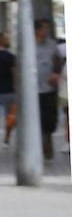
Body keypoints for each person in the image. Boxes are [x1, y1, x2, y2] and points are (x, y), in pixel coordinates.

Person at [34, 19, 65, 161]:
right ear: (37, 30)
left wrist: (56, 73)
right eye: (44, 28)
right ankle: (44, 142)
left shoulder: (52, 45)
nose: (46, 31)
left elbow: (58, 60)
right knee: (39, 120)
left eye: (48, 28)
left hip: (49, 89)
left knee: (51, 120)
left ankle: (46, 136)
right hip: (34, 91)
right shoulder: (29, 45)